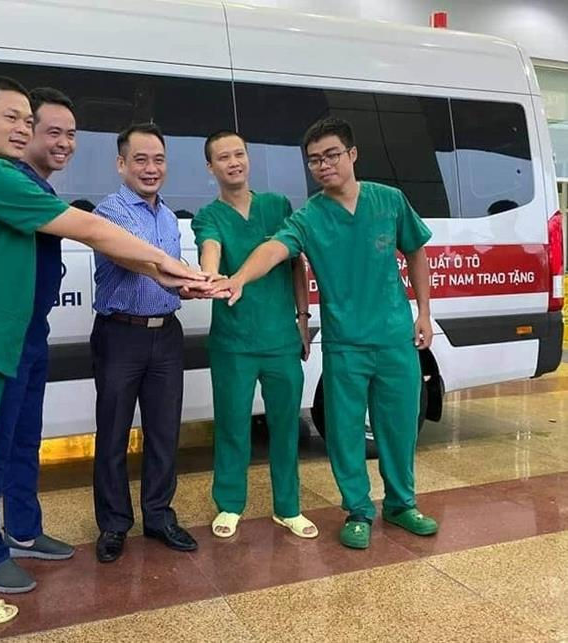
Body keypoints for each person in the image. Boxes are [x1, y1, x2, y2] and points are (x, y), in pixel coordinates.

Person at [0, 76, 206, 642]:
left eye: (28, 120)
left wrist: (165, 273)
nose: (24, 129)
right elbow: (89, 227)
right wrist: (173, 267)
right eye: (12, 118)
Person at [214, 117, 439, 549]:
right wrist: (239, 277)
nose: (323, 165)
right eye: (314, 160)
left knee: (398, 426)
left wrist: (424, 313)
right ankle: (358, 510)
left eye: (331, 155)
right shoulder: (310, 217)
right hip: (346, 343)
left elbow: (415, 251)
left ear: (352, 154)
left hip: (394, 337)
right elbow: (274, 249)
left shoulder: (389, 200)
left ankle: (401, 504)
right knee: (345, 430)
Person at [0, 87, 79, 595]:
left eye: (70, 134)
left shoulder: (38, 188)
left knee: (25, 440)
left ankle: (24, 531)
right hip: (4, 337)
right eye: (51, 131)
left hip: (34, 333)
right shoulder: (8, 182)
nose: (63, 143)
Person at [192, 130, 318, 539]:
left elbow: (295, 263)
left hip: (281, 339)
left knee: (286, 426)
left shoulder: (277, 206)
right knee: (232, 425)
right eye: (223, 157)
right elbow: (210, 248)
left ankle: (289, 507)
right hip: (233, 342)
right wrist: (211, 276)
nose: (234, 163)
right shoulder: (208, 216)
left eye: (239, 154)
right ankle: (230, 504)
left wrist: (303, 318)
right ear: (210, 167)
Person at [91, 123, 205, 563]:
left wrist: (196, 285)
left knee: (163, 432)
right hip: (121, 334)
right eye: (140, 159)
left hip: (166, 335)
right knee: (113, 434)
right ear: (121, 164)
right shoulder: (111, 212)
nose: (150, 168)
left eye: (158, 159)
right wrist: (181, 275)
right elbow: (140, 260)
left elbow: (169, 277)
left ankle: (158, 516)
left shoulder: (169, 217)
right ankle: (114, 524)